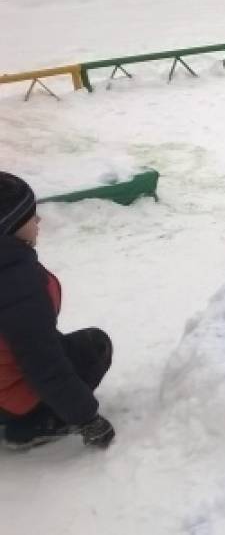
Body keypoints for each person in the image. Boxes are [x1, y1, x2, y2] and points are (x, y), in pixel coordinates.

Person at [0, 172, 115, 451]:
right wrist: (87, 417)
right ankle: (30, 426)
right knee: (94, 347)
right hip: (10, 397)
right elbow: (44, 364)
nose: (38, 221)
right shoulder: (17, 283)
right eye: (31, 215)